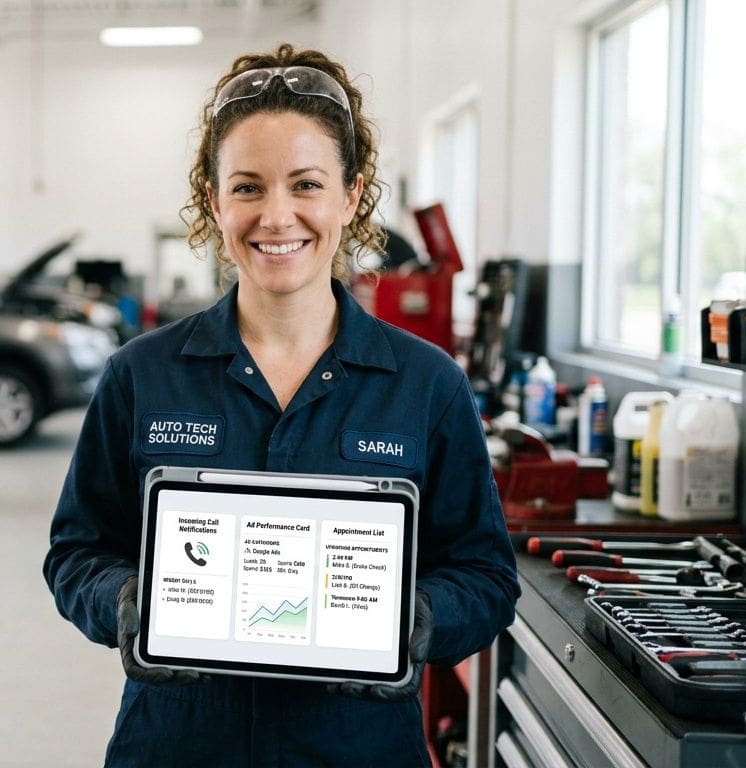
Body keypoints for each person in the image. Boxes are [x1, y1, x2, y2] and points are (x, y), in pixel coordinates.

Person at [43, 43, 519, 767]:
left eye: (305, 184)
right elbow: (77, 552)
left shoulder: (426, 385)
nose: (277, 216)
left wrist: (413, 620)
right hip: (177, 746)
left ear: (350, 195)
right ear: (213, 200)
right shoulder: (142, 376)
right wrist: (125, 602)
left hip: (358, 750)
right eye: (248, 187)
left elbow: (485, 575)